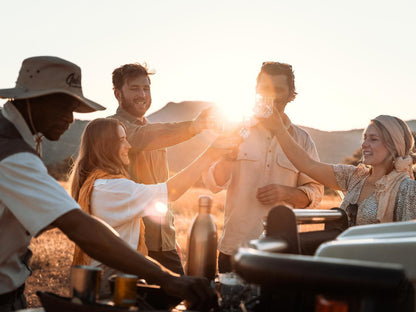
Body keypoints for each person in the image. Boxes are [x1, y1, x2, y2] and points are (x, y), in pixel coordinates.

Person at [0, 56, 217, 311]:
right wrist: (167, 279)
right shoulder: (12, 153)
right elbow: (77, 226)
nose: (70, 119)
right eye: (64, 106)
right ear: (34, 100)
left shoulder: (17, 141)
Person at [70, 117, 240, 297]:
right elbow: (170, 192)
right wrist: (210, 154)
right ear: (105, 146)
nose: (128, 145)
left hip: (105, 275)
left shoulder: (99, 183)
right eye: (121, 140)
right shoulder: (112, 188)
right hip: (111, 279)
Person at [203, 61, 324, 273]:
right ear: (256, 91)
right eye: (266, 88)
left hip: (282, 249)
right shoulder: (235, 130)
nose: (273, 96)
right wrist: (229, 158)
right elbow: (212, 182)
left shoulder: (303, 140)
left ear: (290, 95)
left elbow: (316, 192)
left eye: (279, 90)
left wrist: (286, 193)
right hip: (235, 247)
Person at [108, 63, 217, 275]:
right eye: (134, 89)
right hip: (131, 243)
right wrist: (195, 126)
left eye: (146, 88)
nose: (142, 94)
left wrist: (168, 236)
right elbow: (140, 137)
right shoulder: (112, 128)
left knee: (176, 300)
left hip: (162, 243)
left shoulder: (155, 130)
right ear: (117, 94)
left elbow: (163, 189)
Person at [271, 111, 416, 226]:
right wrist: (279, 129)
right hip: (343, 259)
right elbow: (307, 164)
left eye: (373, 139)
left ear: (393, 145)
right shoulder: (353, 177)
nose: (364, 144)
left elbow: (408, 242)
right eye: (365, 138)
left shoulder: (407, 189)